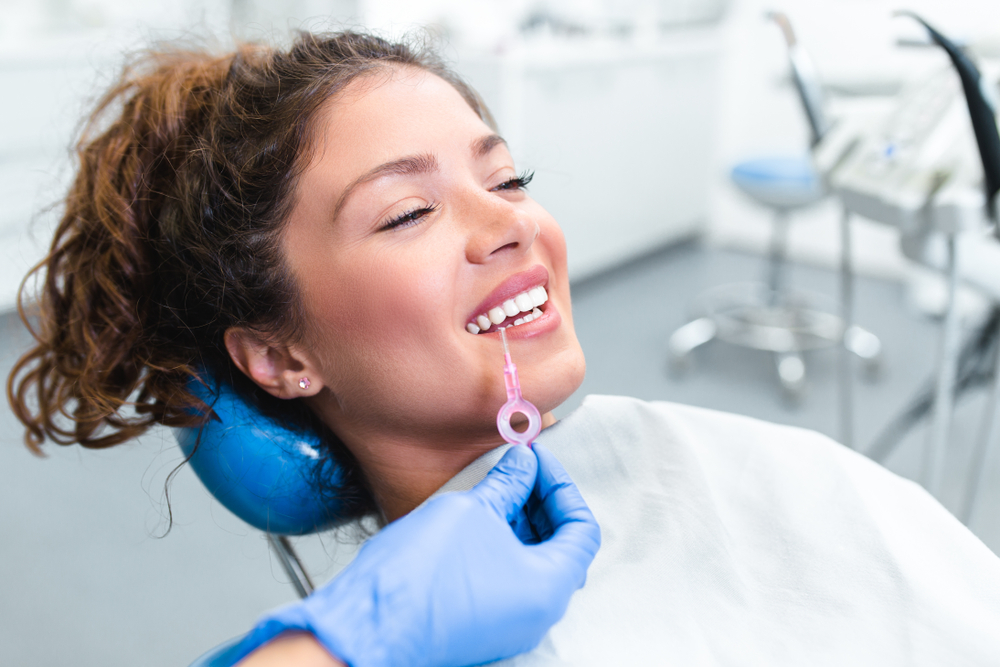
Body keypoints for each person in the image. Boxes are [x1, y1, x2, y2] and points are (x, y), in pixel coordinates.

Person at [7, 29, 1000, 666]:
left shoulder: (771, 484)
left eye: (509, 177)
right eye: (406, 213)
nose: (510, 224)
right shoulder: (370, 639)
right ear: (278, 355)